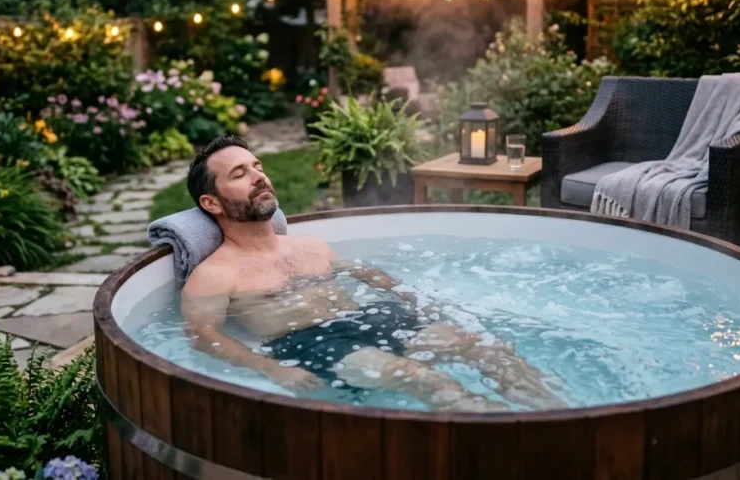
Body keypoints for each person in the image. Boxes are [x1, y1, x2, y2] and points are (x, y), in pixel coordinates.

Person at [181, 135, 565, 411]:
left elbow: (367, 274)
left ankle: (561, 418)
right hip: (308, 343)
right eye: (239, 173)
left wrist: (419, 301)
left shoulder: (312, 246)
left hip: (369, 319)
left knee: (487, 348)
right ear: (211, 202)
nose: (259, 176)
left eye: (257, 167)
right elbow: (203, 336)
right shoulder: (214, 274)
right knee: (422, 377)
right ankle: (516, 450)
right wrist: (271, 370)